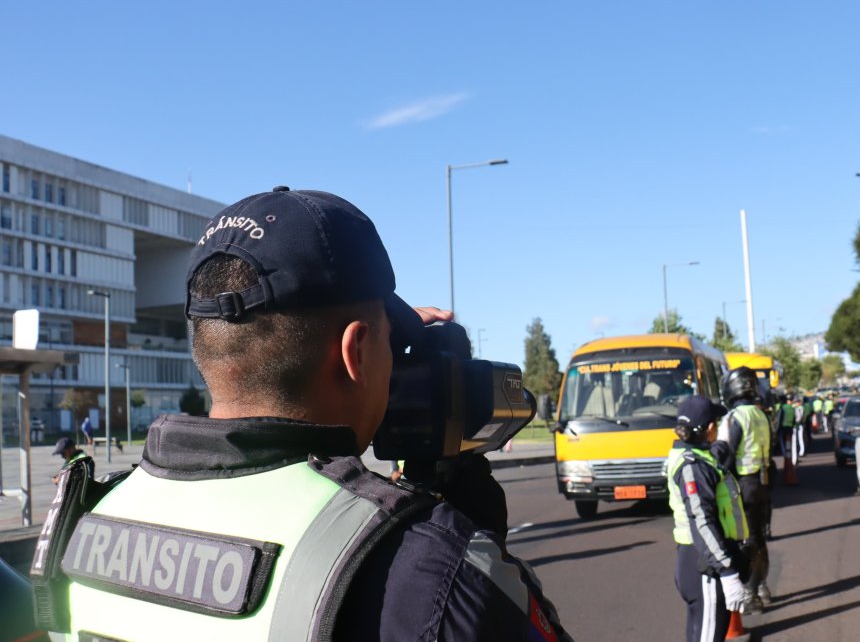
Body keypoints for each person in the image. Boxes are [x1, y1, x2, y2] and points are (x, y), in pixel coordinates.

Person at [44, 188, 569, 641]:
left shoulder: (90, 515)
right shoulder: (426, 569)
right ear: (356, 352)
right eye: (392, 343)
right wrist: (473, 546)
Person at [667, 396, 750, 642]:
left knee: (701, 635)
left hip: (699, 559)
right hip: (706, 565)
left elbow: (717, 453)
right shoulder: (693, 467)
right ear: (710, 428)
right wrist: (726, 570)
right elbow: (702, 523)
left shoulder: (695, 456)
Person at [717, 366, 773, 612]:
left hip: (744, 485)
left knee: (747, 540)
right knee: (759, 537)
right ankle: (761, 587)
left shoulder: (734, 418)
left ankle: (751, 593)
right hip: (764, 482)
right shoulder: (761, 415)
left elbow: (726, 454)